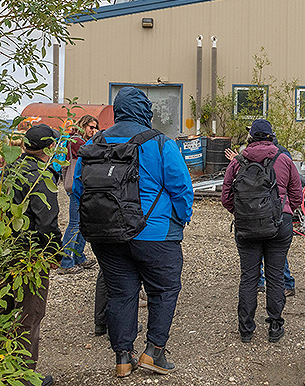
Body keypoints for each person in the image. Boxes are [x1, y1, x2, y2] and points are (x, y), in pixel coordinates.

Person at [73, 86, 193, 377]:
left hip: (106, 233)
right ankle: (153, 352)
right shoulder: (161, 143)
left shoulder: (95, 143)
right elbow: (182, 189)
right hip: (155, 234)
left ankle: (123, 358)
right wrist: (179, 220)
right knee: (163, 290)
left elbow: (78, 188)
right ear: (145, 111)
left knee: (120, 294)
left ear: (117, 110)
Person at [221, 119, 302, 343]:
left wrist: (242, 213)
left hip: (247, 225)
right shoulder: (284, 159)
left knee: (249, 277)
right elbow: (297, 194)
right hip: (279, 224)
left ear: (251, 139)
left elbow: (226, 197)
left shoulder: (238, 161)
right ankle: (275, 327)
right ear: (270, 137)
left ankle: (246, 329)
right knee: (275, 276)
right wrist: (283, 211)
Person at [10, 124, 62, 386]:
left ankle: (7, 368)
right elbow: (46, 222)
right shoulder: (42, 176)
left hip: (7, 252)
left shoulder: (11, 171)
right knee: (30, 314)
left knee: (7, 310)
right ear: (49, 147)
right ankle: (24, 375)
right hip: (30, 257)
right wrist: (54, 254)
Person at [58, 115, 99, 274]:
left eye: (95, 127)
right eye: (90, 127)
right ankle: (66, 262)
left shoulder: (76, 139)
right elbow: (90, 153)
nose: (93, 130)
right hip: (77, 186)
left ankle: (78, 257)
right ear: (83, 125)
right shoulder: (76, 141)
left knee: (81, 223)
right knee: (75, 223)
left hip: (81, 186)